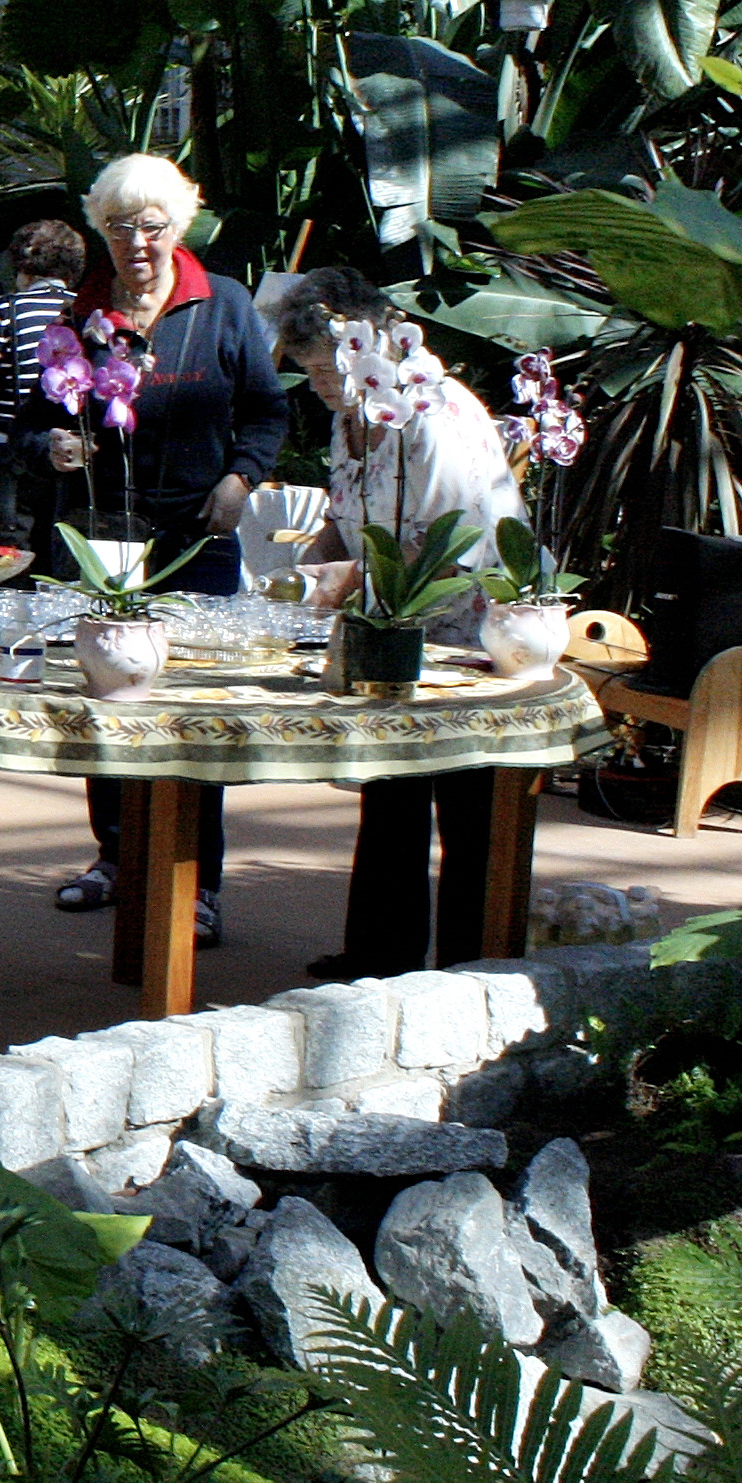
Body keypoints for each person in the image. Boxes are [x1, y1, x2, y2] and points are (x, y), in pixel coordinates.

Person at [35, 154, 291, 947]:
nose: (136, 243)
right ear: (99, 233)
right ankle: (116, 857)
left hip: (196, 540)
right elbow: (42, 405)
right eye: (118, 227)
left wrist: (240, 481)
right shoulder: (82, 312)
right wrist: (57, 445)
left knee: (194, 711)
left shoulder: (223, 305)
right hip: (105, 536)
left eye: (151, 226)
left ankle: (196, 882)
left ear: (177, 227)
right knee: (105, 702)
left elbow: (267, 412)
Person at [274, 269, 530, 980]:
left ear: (372, 343)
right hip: (391, 630)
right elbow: (347, 512)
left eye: (329, 370)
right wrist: (313, 563)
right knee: (390, 789)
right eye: (310, 373)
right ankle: (380, 957)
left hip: (468, 634)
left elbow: (448, 539)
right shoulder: (351, 410)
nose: (322, 385)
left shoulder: (433, 412)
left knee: (468, 807)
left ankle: (469, 970)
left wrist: (350, 578)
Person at [0, 217, 89, 549]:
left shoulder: (8, 310)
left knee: (4, 554)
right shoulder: (84, 309)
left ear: (23, 266)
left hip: (8, 454)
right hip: (66, 452)